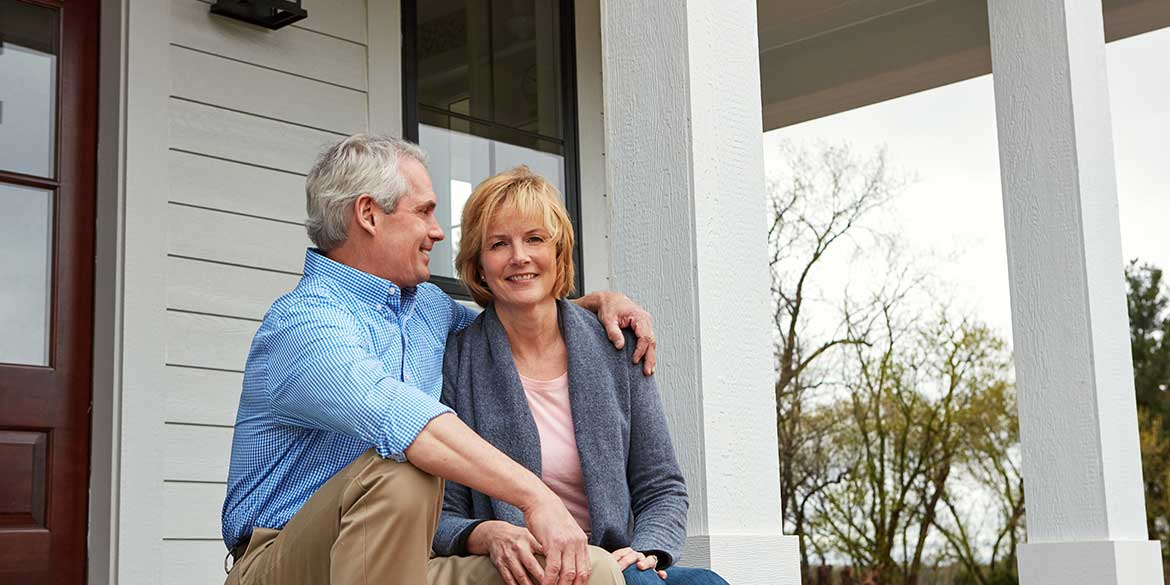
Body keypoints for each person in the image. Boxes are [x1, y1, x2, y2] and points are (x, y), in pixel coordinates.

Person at [221, 135, 659, 585]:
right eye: (424, 211)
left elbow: (514, 319)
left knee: (590, 571)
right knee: (402, 475)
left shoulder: (426, 307)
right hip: (291, 563)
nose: (436, 230)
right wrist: (537, 498)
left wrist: (598, 303)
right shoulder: (304, 324)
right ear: (369, 214)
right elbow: (406, 423)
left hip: (408, 560)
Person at [434, 167, 730, 585]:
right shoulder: (456, 361)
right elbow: (441, 514)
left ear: (558, 254)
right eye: (499, 244)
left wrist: (646, 549)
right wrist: (486, 533)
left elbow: (661, 485)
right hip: (528, 566)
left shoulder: (616, 344)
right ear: (479, 266)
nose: (519, 256)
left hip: (615, 560)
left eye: (535, 239)